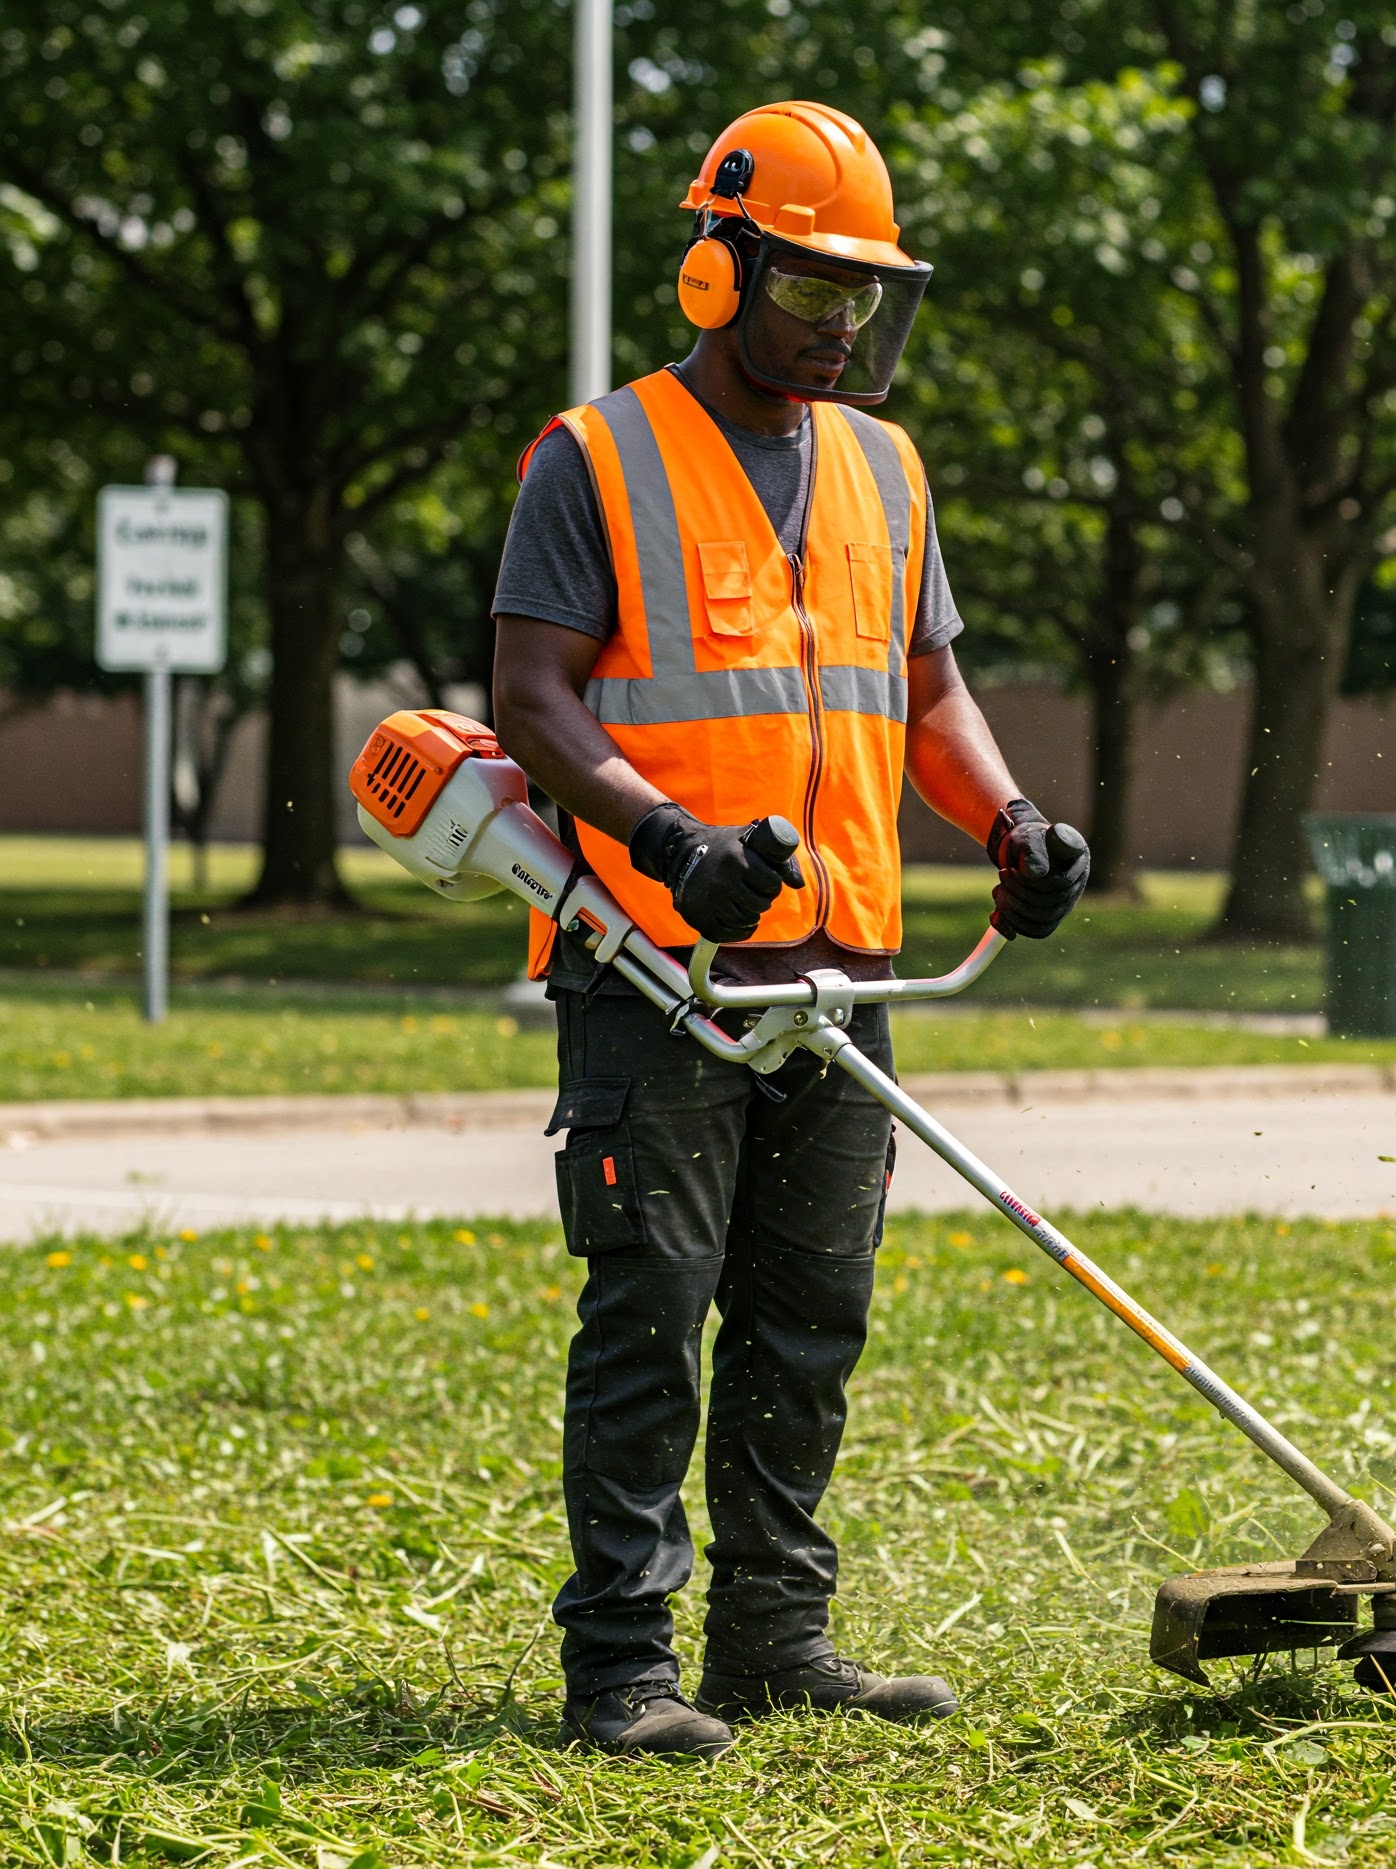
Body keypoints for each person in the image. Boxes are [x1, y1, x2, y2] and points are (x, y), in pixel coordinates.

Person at [490, 100, 1090, 1762]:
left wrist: (1011, 824)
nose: (841, 323)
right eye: (811, 286)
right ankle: (619, 1666)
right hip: (657, 969)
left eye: (865, 293)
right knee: (651, 1311)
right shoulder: (593, 457)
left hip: (841, 970)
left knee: (810, 1314)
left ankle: (775, 1638)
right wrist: (669, 839)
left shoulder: (888, 470)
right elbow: (531, 701)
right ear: (715, 265)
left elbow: (926, 690)